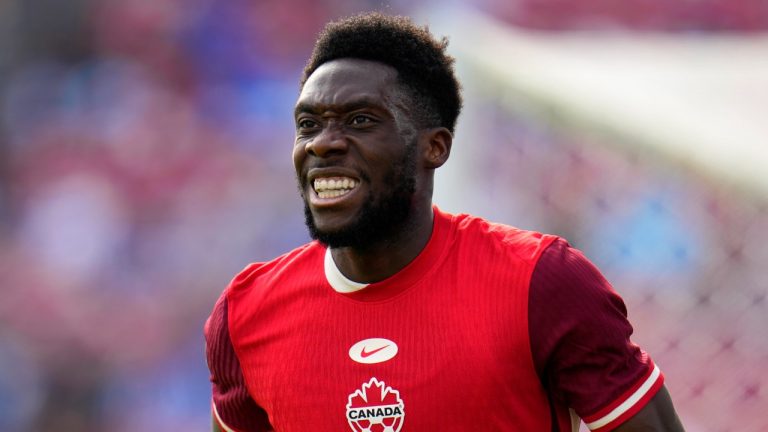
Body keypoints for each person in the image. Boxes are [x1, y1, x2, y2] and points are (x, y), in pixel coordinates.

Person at [204, 12, 685, 432]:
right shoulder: (245, 314)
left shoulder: (541, 282)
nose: (322, 143)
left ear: (435, 147)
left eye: (361, 121)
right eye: (308, 124)